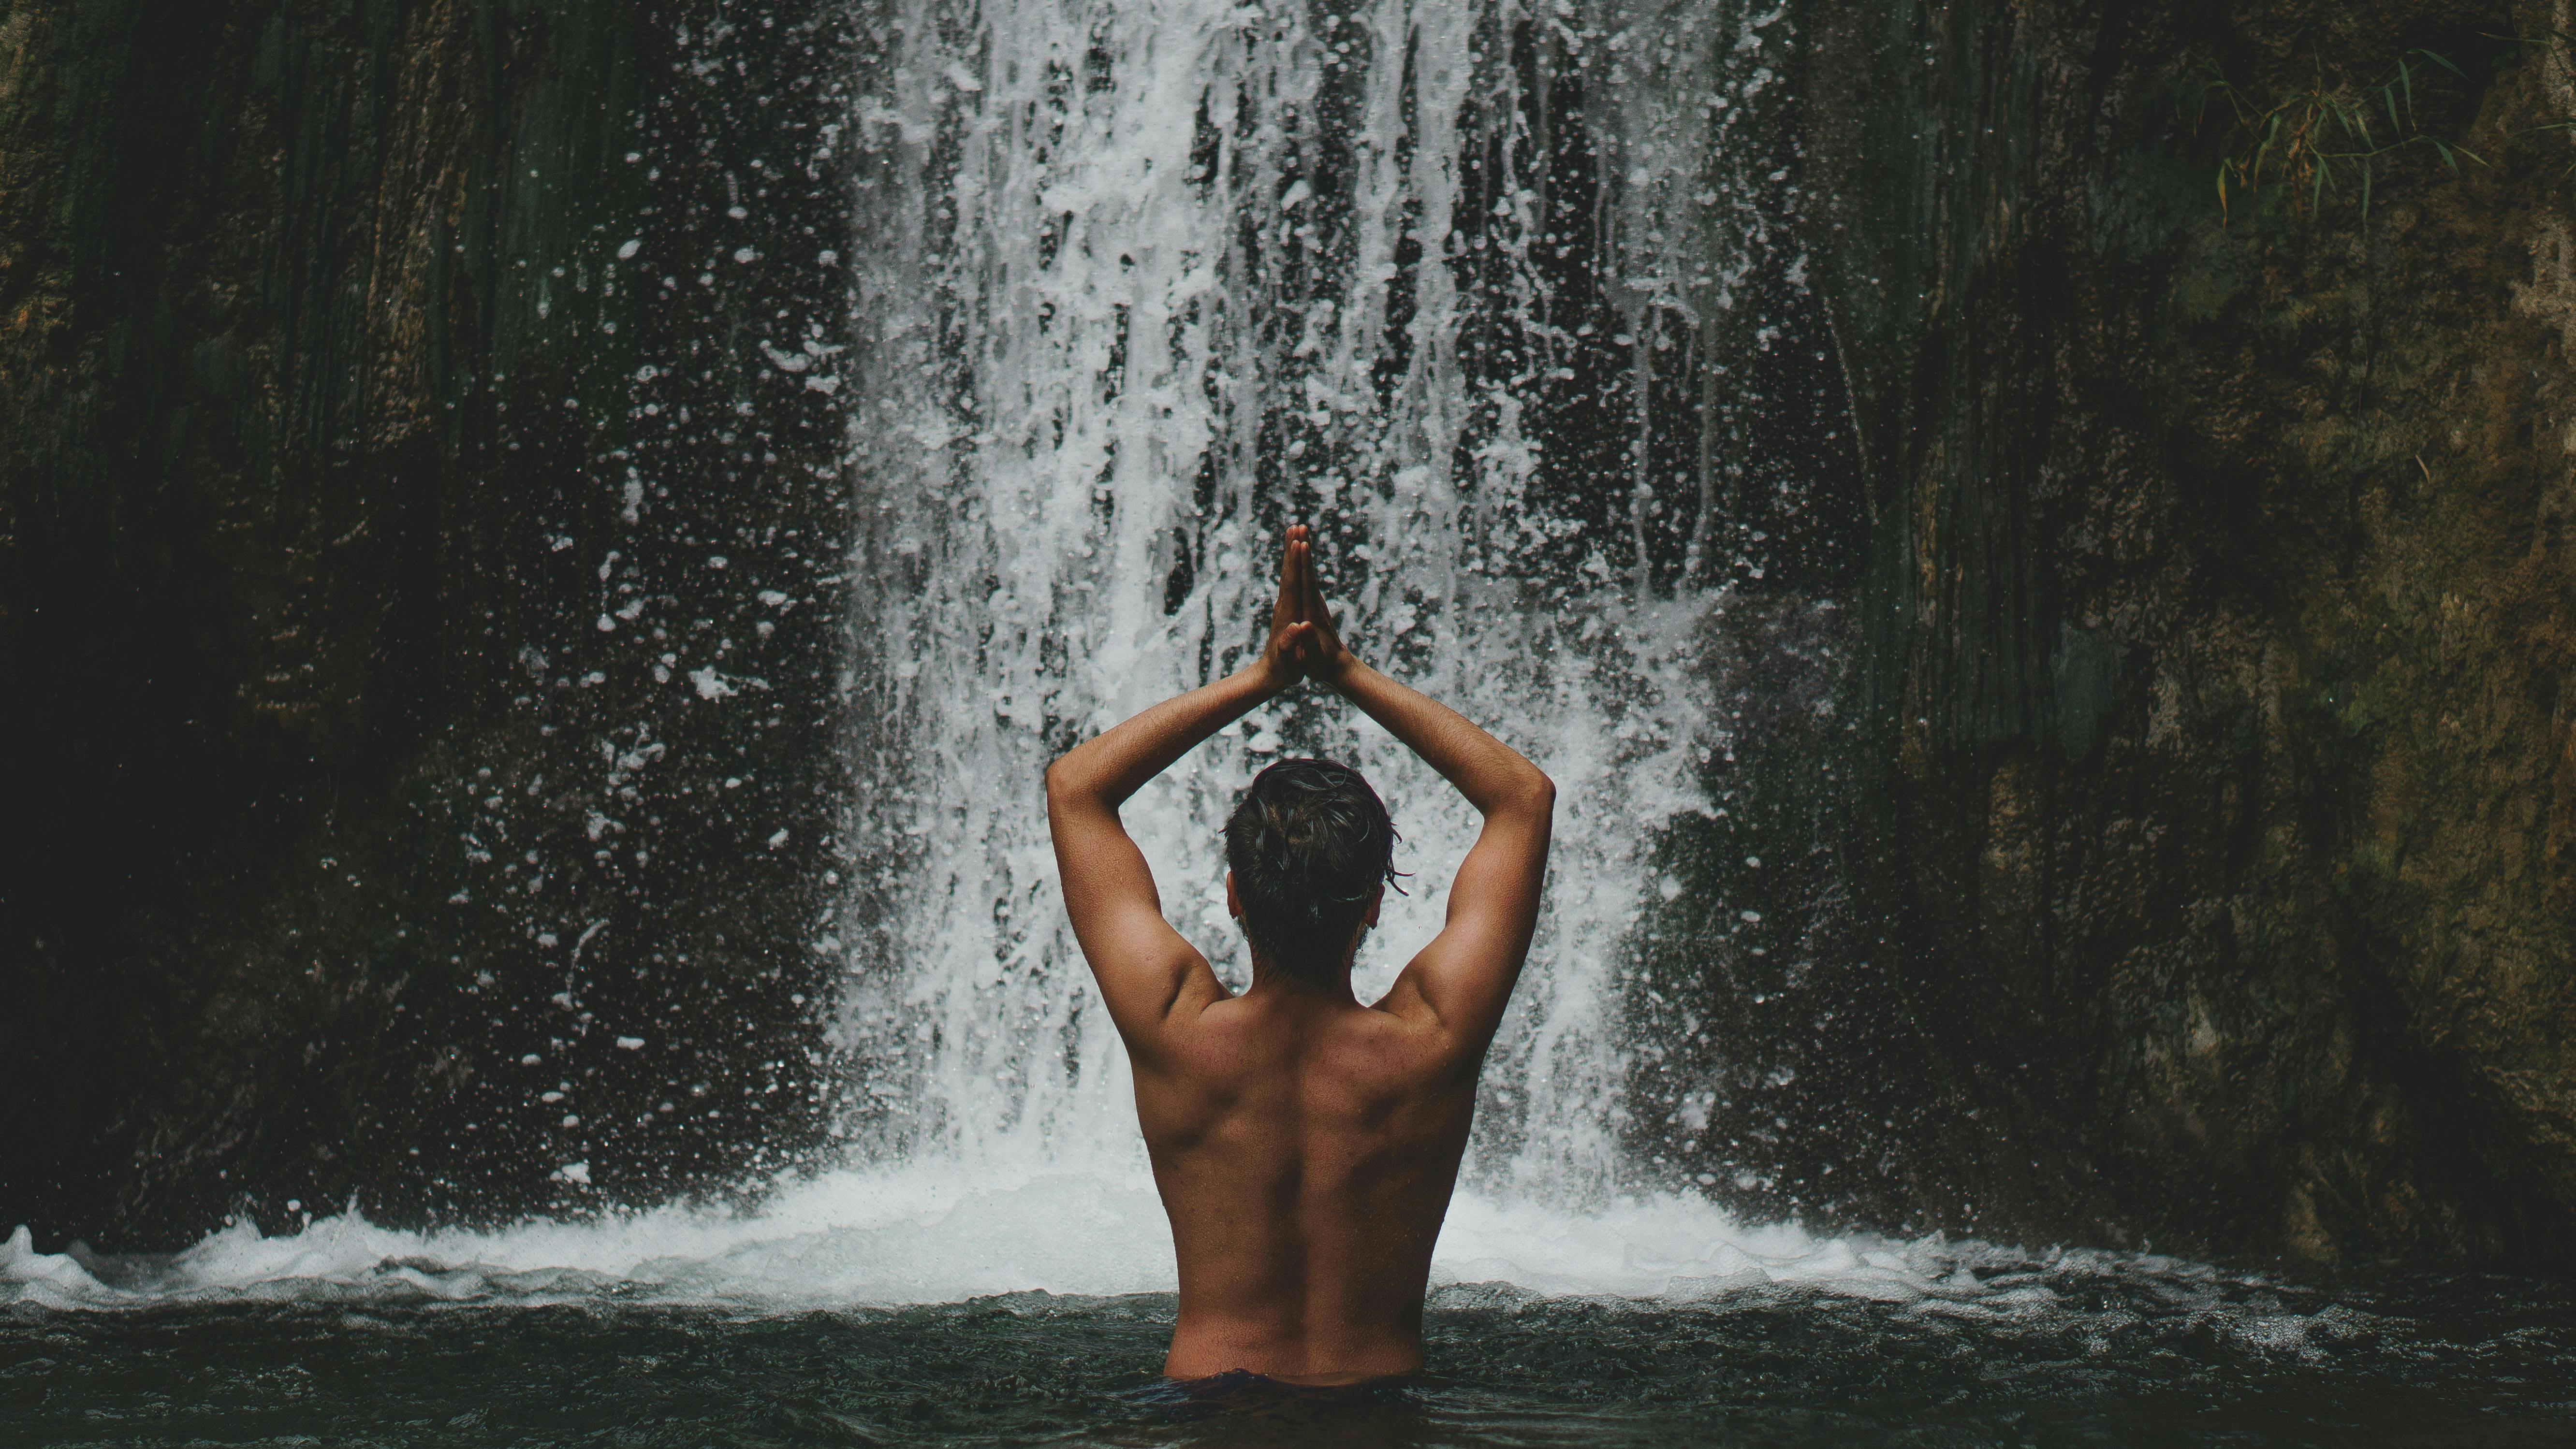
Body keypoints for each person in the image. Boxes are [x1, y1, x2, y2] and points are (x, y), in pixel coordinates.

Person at [1044, 524, 1557, 1384]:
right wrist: (1345, 672)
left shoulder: (1174, 1025)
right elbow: (1522, 797)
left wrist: (1264, 676)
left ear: (1236, 896)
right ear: (1370, 906)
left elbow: (1076, 787)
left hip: (1209, 1411)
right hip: (1382, 1412)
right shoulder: (1431, 1038)